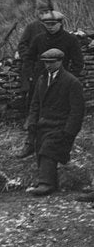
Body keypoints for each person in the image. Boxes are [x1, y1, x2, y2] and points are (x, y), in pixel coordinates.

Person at [17, 9, 83, 157]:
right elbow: (28, 57)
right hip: (40, 82)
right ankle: (30, 143)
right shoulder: (39, 39)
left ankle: (58, 147)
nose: (50, 27)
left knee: (58, 116)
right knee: (35, 112)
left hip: (60, 84)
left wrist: (69, 81)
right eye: (47, 24)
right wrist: (30, 76)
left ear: (61, 23)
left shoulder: (70, 40)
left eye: (53, 24)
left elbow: (78, 63)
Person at [24, 48, 85, 197]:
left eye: (52, 62)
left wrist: (69, 132)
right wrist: (32, 122)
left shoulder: (71, 82)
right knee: (41, 150)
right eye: (46, 62)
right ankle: (48, 181)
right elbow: (35, 104)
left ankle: (46, 184)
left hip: (61, 125)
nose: (48, 66)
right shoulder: (42, 79)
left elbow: (77, 111)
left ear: (60, 61)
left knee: (48, 149)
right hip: (43, 124)